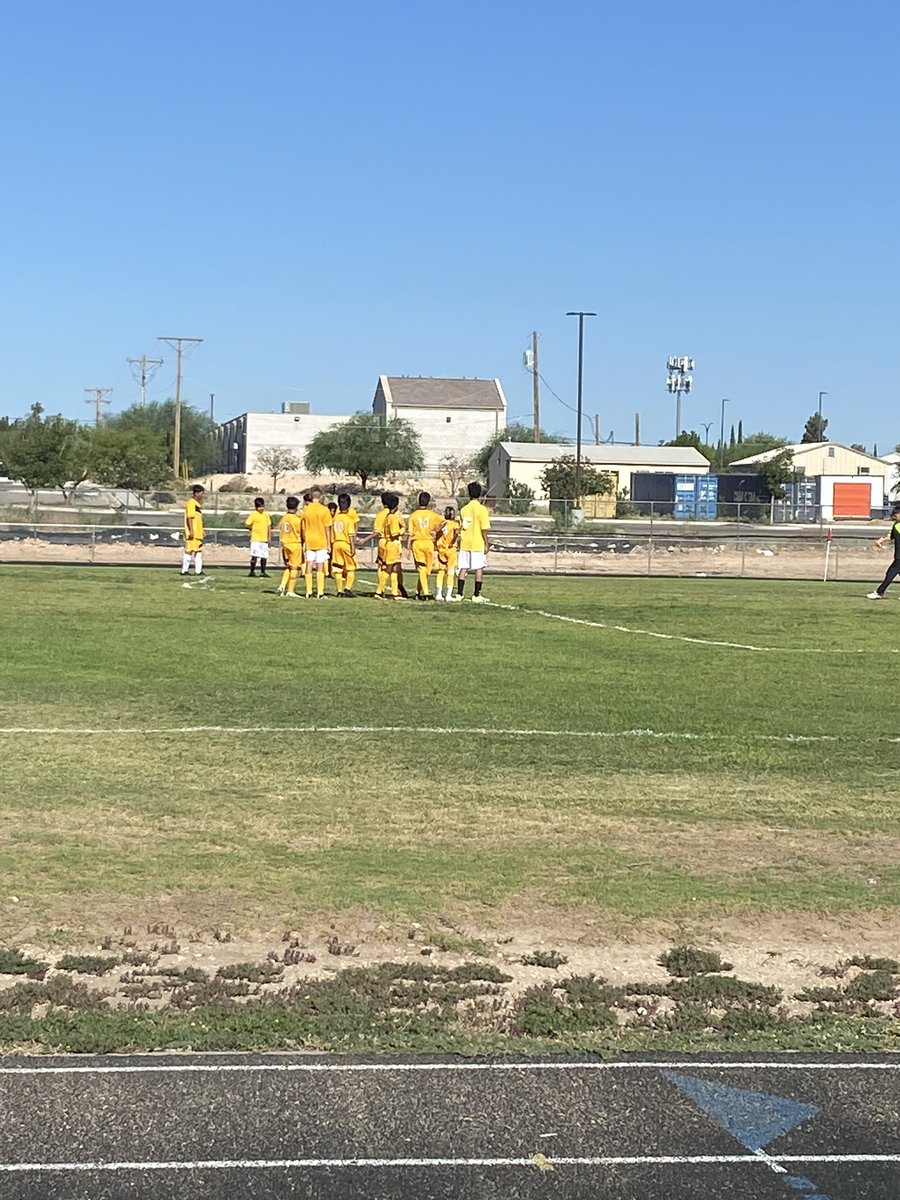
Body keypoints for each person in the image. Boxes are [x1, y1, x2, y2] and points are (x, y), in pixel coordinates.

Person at [454, 481, 491, 602]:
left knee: (463, 568)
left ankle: (459, 594)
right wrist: (486, 543)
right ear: (479, 493)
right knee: (479, 568)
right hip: (477, 543)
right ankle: (476, 594)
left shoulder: (464, 509)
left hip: (465, 542)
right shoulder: (482, 510)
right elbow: (484, 529)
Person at [407, 491, 444, 600]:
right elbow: (444, 522)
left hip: (418, 543)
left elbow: (410, 533)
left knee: (424, 570)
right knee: (424, 569)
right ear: (428, 502)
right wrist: (437, 530)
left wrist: (408, 548)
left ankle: (421, 592)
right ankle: (424, 592)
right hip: (428, 543)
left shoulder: (413, 516)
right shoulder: (433, 515)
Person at [300, 486, 333, 599]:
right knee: (320, 566)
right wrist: (329, 543)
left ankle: (308, 591)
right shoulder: (324, 510)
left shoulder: (306, 509)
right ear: (321, 496)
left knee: (309, 565)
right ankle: (320, 592)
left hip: (309, 540)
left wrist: (304, 540)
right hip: (321, 540)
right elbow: (327, 528)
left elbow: (303, 527)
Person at [373, 492, 406, 600]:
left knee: (394, 569)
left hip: (386, 543)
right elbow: (394, 533)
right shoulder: (393, 517)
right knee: (388, 569)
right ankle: (379, 591)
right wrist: (402, 531)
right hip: (392, 544)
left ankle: (395, 593)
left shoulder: (385, 515)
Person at [867, 504, 900, 599]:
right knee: (891, 573)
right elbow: (891, 536)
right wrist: (880, 540)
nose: (894, 516)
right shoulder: (896, 525)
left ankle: (879, 592)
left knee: (890, 573)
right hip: (898, 555)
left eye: (896, 514)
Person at [330, 493, 360, 597]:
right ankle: (347, 588)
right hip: (346, 543)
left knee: (338, 568)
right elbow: (351, 535)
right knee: (351, 567)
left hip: (336, 544)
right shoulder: (349, 519)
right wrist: (353, 547)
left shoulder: (335, 518)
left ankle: (339, 591)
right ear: (349, 504)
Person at [276, 496, 303, 597]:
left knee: (289, 567)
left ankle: (282, 585)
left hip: (285, 544)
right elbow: (302, 532)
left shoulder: (284, 518)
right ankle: (290, 591)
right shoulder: (296, 520)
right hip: (294, 544)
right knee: (294, 568)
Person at [435, 505, 460, 601]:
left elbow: (437, 534)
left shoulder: (442, 524)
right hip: (451, 549)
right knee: (450, 572)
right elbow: (456, 534)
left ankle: (439, 593)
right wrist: (453, 541)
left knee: (440, 572)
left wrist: (436, 545)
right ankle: (448, 595)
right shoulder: (455, 524)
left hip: (441, 549)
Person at [244, 497, 272, 578]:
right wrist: (252, 528)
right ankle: (252, 571)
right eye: (259, 507)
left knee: (264, 556)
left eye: (262, 506)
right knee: (254, 555)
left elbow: (269, 526)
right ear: (256, 507)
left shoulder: (266, 515)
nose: (261, 509)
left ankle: (263, 571)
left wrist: (269, 537)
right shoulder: (253, 515)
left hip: (264, 539)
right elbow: (247, 524)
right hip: (255, 539)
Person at [181, 484, 205, 576]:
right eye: (202, 493)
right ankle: (185, 570)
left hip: (198, 533)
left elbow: (198, 519)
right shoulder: (191, 503)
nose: (202, 496)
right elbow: (189, 518)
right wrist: (191, 531)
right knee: (189, 551)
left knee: (198, 551)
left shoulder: (197, 504)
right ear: (197, 493)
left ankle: (198, 571)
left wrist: (202, 531)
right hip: (193, 533)